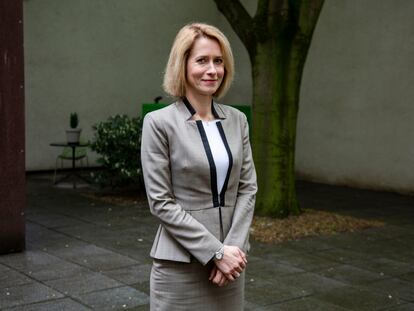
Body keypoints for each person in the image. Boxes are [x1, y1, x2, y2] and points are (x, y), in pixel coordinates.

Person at [141, 22, 257, 311]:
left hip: (230, 265)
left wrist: (233, 251)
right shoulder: (159, 124)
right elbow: (160, 202)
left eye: (218, 61)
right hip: (180, 265)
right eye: (202, 60)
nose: (212, 70)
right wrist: (215, 251)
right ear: (183, 65)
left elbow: (248, 188)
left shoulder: (237, 120)